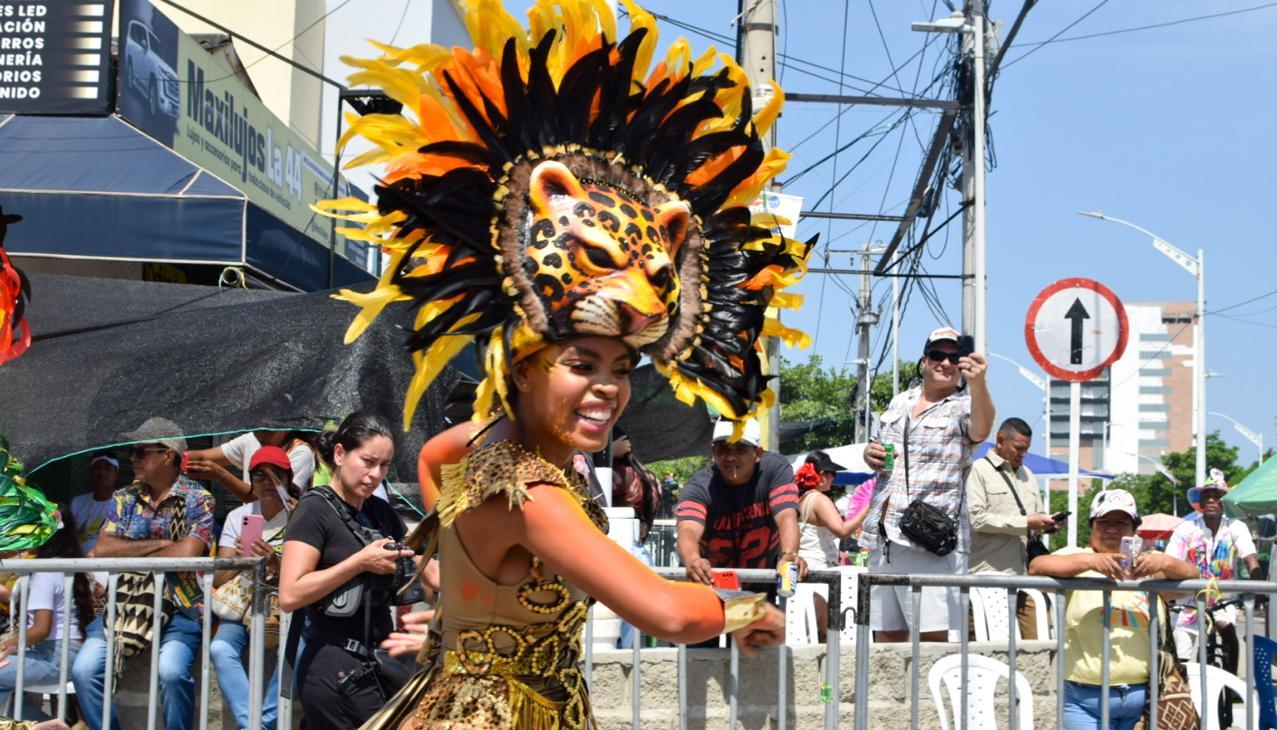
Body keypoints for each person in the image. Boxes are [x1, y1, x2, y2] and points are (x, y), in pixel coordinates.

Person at [327, 2, 811, 724]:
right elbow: (666, 612)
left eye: (621, 368)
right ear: (521, 364)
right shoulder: (532, 494)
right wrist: (749, 613)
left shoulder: (481, 445)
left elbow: (429, 456)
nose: (608, 389)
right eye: (582, 363)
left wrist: (459, 601)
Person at [71, 417, 215, 730]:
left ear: (167, 454)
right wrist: (163, 543)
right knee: (83, 671)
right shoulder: (124, 497)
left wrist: (134, 549)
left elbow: (187, 554)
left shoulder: (198, 499)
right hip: (123, 603)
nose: (132, 459)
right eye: (132, 452)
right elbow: (105, 548)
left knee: (172, 672)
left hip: (180, 606)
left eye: (140, 452)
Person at [277, 412, 412, 730]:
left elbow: (419, 567)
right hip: (334, 666)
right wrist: (359, 563)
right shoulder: (314, 510)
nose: (375, 474)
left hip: (378, 664)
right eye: (367, 461)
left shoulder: (382, 513)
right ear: (339, 454)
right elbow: (290, 593)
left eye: (384, 465)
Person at [862, 327, 995, 642]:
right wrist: (869, 453)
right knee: (886, 640)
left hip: (930, 541)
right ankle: (889, 694)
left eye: (953, 358)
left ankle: (927, 694)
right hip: (885, 537)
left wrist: (979, 385)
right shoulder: (899, 402)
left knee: (931, 641)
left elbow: (982, 429)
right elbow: (877, 448)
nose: (945, 363)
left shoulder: (965, 404)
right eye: (938, 355)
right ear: (924, 360)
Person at [1030, 489, 1198, 730]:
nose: (1112, 528)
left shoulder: (1148, 564)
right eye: (1104, 522)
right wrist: (1092, 562)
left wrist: (1165, 562)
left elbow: (1194, 575)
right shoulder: (1078, 557)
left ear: (1134, 529)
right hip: (1083, 700)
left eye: (1122, 522)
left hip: (1144, 701)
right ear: (1092, 526)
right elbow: (1036, 566)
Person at [1165, 468, 1261, 724]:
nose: (1211, 500)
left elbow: (1250, 558)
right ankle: (1182, 693)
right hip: (1188, 601)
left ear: (1223, 501)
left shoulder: (1236, 527)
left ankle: (1229, 689)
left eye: (1216, 496)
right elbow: (1171, 561)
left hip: (1222, 599)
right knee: (1182, 648)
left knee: (1227, 630)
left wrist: (1258, 579)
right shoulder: (1186, 529)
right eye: (1206, 495)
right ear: (1199, 501)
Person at [210, 447, 292, 730]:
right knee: (221, 648)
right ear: (251, 483)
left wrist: (274, 561)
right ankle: (252, 725)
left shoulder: (302, 513)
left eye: (275, 475)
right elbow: (220, 579)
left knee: (294, 653)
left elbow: (307, 572)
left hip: (287, 605)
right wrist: (241, 558)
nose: (267, 483)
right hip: (246, 603)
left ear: (288, 479)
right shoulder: (239, 516)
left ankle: (266, 721)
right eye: (259, 476)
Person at [676, 419, 804, 586]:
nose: (730, 457)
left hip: (761, 589)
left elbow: (786, 515)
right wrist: (693, 559)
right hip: (710, 589)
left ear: (758, 453)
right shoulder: (699, 487)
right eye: (723, 449)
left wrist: (789, 554)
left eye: (740, 449)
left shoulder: (775, 469)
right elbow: (688, 529)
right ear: (713, 451)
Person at [966, 417, 1059, 639]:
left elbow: (1035, 519)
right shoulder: (977, 470)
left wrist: (1048, 524)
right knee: (986, 650)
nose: (1023, 454)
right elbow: (976, 519)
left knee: (1039, 646)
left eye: (1026, 449)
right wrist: (1026, 523)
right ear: (1000, 440)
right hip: (986, 579)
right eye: (1019, 448)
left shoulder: (1029, 475)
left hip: (1025, 578)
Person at [0, 511, 94, 721]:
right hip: (59, 653)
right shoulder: (59, 564)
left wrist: (4, 643)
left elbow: (40, 630)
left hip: (54, 657)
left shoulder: (45, 572)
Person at [795, 450, 860, 640]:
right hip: (819, 569)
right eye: (832, 474)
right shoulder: (819, 499)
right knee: (826, 635)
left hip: (807, 566)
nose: (834, 479)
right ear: (822, 476)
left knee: (809, 634)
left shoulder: (803, 497)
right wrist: (866, 509)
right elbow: (841, 530)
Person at [184, 429, 315, 502]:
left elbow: (265, 498)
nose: (260, 436)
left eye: (268, 430)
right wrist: (171, 452)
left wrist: (221, 475)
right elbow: (204, 456)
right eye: (256, 428)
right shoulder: (252, 439)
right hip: (251, 523)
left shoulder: (301, 452)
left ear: (286, 428)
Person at [69, 452, 119, 555]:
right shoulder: (77, 502)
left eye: (107, 468)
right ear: (91, 472)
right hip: (77, 564)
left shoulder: (123, 503)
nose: (102, 472)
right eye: (98, 468)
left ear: (116, 472)